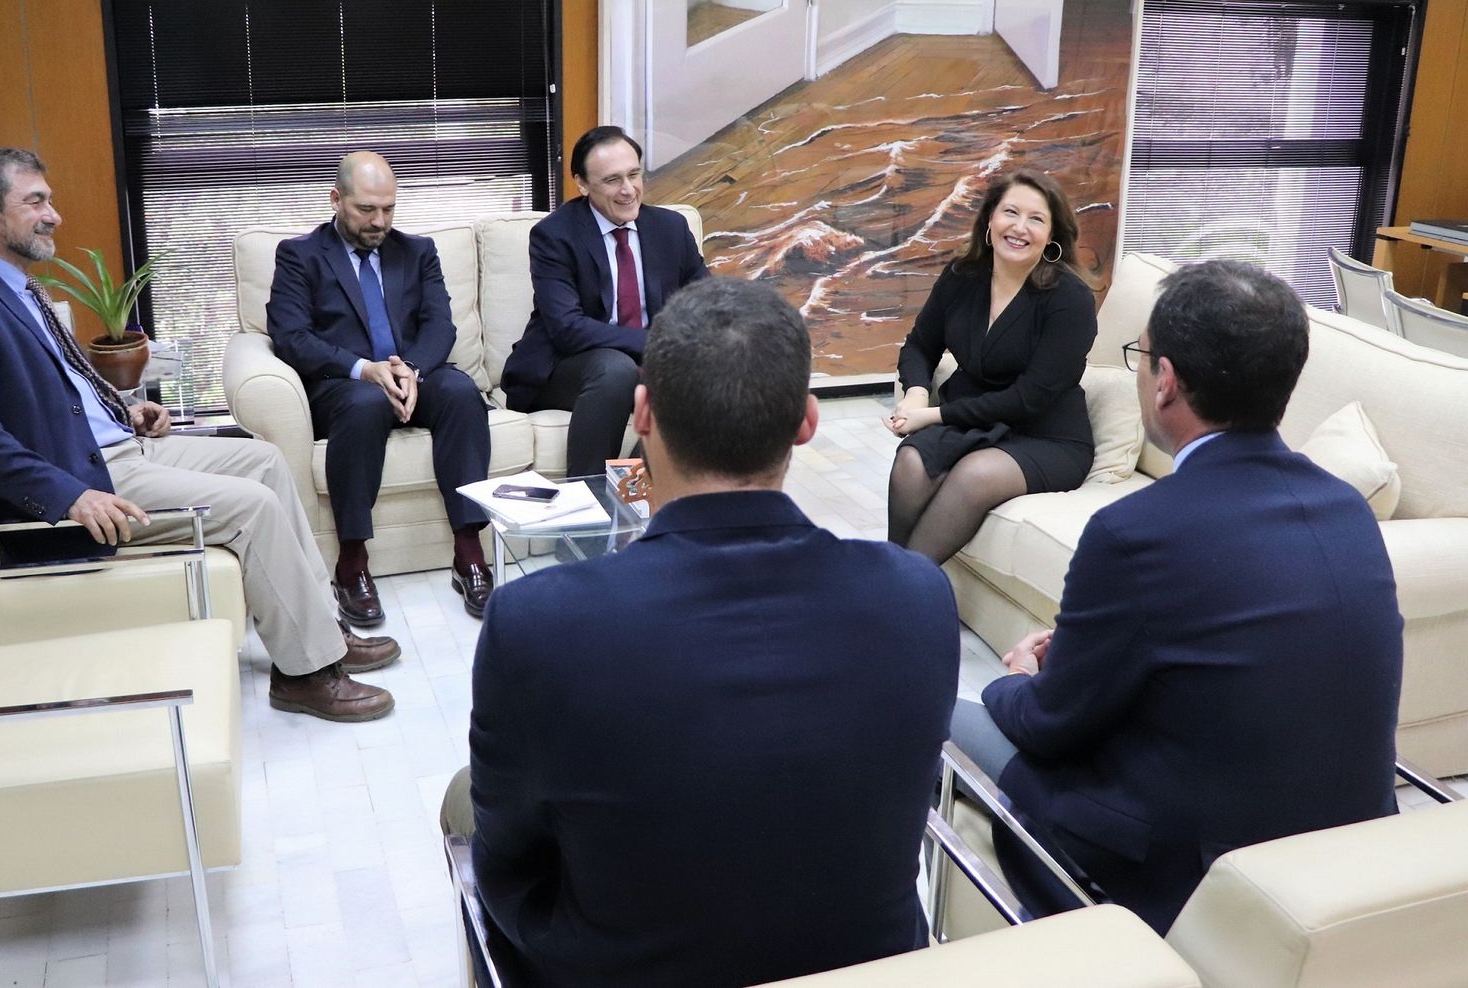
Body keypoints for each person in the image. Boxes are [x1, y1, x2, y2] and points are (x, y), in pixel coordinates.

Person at [441, 277, 961, 987]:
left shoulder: (537, 622)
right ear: (807, 422)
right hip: (866, 965)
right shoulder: (918, 598)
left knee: (464, 800)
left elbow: (508, 863)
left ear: (642, 413)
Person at [952, 259, 1403, 933]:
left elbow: (1050, 723)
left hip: (1195, 880)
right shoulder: (1348, 511)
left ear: (1165, 381)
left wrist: (1016, 680)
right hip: (1348, 861)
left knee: (946, 714)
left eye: (1140, 358)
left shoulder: (1135, 532)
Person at [0, 147, 396, 723]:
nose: (53, 215)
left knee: (266, 460)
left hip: (116, 445)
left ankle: (323, 628)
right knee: (253, 507)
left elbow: (54, 387)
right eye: (35, 201)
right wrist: (69, 495)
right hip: (85, 478)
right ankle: (306, 674)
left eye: (49, 200)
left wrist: (123, 408)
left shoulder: (14, 286)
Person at [266, 151, 494, 623]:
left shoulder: (417, 251)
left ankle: (469, 550)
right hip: (343, 385)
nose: (379, 221)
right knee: (367, 402)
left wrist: (411, 368)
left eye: (388, 209)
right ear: (336, 199)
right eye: (366, 209)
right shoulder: (300, 255)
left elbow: (440, 324)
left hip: (413, 373)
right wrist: (362, 368)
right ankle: (352, 563)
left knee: (461, 392)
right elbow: (291, 336)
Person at [886, 169, 1097, 564]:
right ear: (990, 218)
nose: (1020, 228)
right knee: (911, 463)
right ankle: (897, 578)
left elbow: (1029, 398)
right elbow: (919, 345)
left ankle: (899, 587)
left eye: (1036, 219)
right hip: (973, 423)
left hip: (1043, 434)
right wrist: (915, 394)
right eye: (1010, 212)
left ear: (1052, 235)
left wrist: (933, 415)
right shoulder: (962, 276)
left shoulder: (1070, 299)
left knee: (974, 474)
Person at [499, 125, 710, 478]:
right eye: (612, 180)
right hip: (565, 367)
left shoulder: (670, 228)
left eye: (634, 175)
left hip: (649, 366)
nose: (628, 190)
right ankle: (587, 495)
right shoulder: (554, 235)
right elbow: (567, 328)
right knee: (615, 369)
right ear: (582, 184)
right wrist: (657, 343)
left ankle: (639, 486)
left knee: (706, 374)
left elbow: (707, 303)